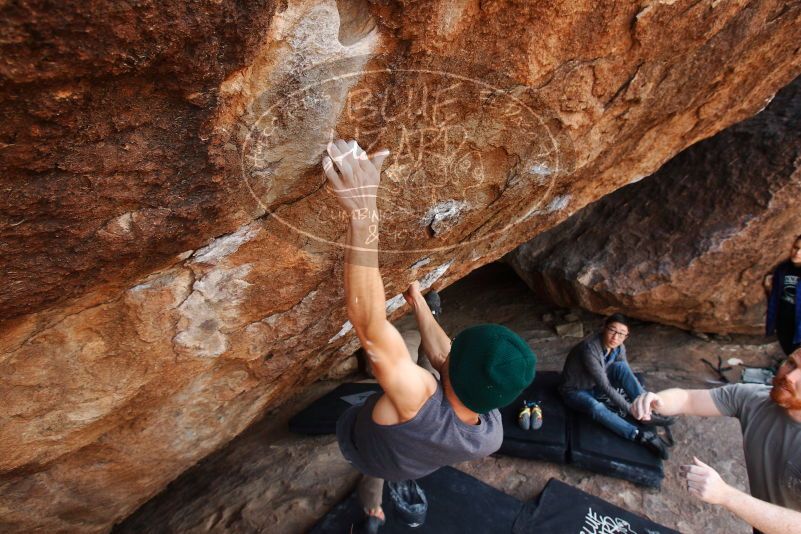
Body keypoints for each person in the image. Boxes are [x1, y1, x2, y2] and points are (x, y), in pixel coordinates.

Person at [324, 139, 536, 533]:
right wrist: (416, 299)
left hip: (361, 444)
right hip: (410, 458)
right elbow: (445, 359)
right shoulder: (490, 435)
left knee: (395, 371)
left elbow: (370, 325)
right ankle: (385, 493)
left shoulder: (417, 395)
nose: (448, 350)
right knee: (398, 455)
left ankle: (372, 504)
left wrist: (364, 212)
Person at [632, 348, 801, 534]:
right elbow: (687, 399)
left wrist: (726, 495)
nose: (790, 377)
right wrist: (656, 401)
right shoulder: (755, 399)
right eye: (791, 363)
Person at [559, 313, 670, 458]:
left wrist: (639, 399)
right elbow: (605, 385)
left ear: (626, 336)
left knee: (622, 367)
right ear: (604, 328)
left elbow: (626, 372)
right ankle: (639, 435)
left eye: (621, 334)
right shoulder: (589, 349)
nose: (615, 337)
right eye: (612, 330)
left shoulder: (619, 347)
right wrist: (630, 410)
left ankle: (646, 407)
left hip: (594, 386)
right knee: (596, 407)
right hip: (575, 390)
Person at [765, 234, 801, 356]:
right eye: (796, 248)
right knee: (789, 352)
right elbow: (777, 297)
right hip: (783, 321)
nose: (798, 253)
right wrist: (769, 288)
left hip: (799, 324)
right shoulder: (783, 269)